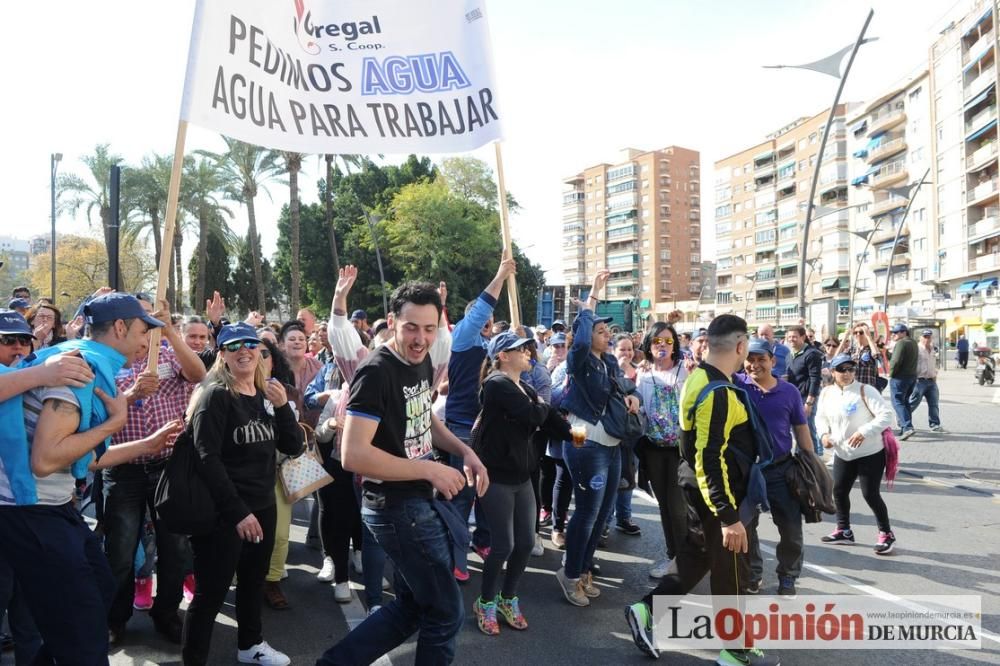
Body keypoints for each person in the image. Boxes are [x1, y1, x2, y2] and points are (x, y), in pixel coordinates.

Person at [316, 281, 488, 666]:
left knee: (414, 605)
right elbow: (353, 455)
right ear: (392, 322)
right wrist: (428, 470)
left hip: (416, 502)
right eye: (411, 327)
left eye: (429, 329)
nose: (420, 338)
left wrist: (464, 451)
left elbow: (423, 417)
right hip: (396, 509)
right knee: (445, 613)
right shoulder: (375, 372)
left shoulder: (420, 360)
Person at [0, 293, 165, 664]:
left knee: (99, 588)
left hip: (52, 506)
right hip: (30, 510)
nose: (148, 341)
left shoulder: (85, 360)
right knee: (84, 630)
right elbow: (45, 459)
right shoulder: (82, 367)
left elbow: (83, 459)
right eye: (143, 330)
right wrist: (114, 424)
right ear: (120, 327)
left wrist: (146, 444)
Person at [625, 314, 778, 665]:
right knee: (731, 571)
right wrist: (728, 517)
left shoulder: (698, 377)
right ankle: (735, 651)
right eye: (746, 348)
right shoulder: (718, 391)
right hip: (718, 494)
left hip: (698, 488)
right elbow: (709, 459)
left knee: (697, 558)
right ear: (740, 346)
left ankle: (646, 610)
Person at [182, 322, 303, 665]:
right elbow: (207, 459)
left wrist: (282, 407)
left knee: (252, 582)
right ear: (222, 355)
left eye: (251, 344)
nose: (244, 350)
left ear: (263, 353)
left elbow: (292, 447)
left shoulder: (266, 394)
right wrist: (237, 512)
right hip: (224, 512)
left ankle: (251, 645)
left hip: (263, 504)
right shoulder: (215, 396)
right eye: (234, 346)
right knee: (211, 594)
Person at [103, 297, 207, 645]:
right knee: (119, 550)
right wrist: (131, 395)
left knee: (175, 547)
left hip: (169, 467)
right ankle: (115, 619)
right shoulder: (109, 362)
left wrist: (172, 333)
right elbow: (95, 414)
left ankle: (167, 613)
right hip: (123, 469)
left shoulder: (167, 353)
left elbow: (199, 375)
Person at [473, 331, 567, 636]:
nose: (528, 352)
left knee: (526, 542)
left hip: (522, 476)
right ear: (503, 356)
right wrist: (542, 406)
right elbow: (533, 414)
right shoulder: (497, 384)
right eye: (519, 349)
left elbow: (548, 414)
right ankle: (485, 601)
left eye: (527, 348)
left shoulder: (524, 385)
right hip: (497, 477)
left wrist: (571, 433)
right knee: (503, 545)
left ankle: (507, 598)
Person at [557, 270, 638, 608]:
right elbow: (579, 338)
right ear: (585, 335)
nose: (606, 335)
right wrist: (593, 293)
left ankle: (584, 567)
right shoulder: (578, 360)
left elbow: (622, 389)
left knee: (602, 512)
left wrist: (632, 397)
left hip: (612, 445)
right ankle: (570, 573)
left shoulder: (607, 363)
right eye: (599, 331)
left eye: (608, 331)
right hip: (584, 442)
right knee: (587, 511)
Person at [444, 257, 517, 580]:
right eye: (482, 318)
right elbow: (484, 304)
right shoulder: (462, 339)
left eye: (490, 320)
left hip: (486, 432)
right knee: (460, 497)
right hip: (460, 431)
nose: (487, 323)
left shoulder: (491, 348)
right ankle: (454, 560)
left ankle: (480, 543)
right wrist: (500, 274)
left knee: (483, 495)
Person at [738, 338, 811, 597]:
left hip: (781, 470)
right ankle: (752, 575)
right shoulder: (736, 385)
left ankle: (788, 576)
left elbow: (800, 428)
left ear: (773, 361)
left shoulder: (789, 391)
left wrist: (810, 464)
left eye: (761, 359)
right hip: (746, 472)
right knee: (746, 528)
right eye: (750, 359)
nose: (755, 365)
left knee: (791, 528)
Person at [815, 353, 897, 555]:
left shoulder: (865, 391)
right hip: (843, 452)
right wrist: (824, 434)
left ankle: (886, 533)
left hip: (870, 452)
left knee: (870, 494)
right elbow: (820, 417)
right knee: (839, 491)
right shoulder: (827, 393)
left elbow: (886, 416)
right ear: (832, 372)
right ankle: (844, 530)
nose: (847, 373)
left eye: (851, 369)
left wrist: (863, 432)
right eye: (841, 369)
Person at [634, 322, 688, 579]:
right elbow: (642, 410)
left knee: (678, 506)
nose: (663, 346)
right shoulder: (643, 375)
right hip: (654, 448)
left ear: (675, 345)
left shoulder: (686, 371)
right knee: (665, 505)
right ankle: (674, 557)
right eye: (657, 341)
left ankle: (685, 560)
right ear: (649, 345)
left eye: (668, 341)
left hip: (681, 449)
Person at [605, 333, 641, 538]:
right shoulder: (611, 370)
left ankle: (624, 518)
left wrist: (635, 399)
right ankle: (605, 522)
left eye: (630, 349)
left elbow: (641, 396)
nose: (627, 353)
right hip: (614, 431)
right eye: (622, 349)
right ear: (614, 350)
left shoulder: (641, 370)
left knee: (628, 477)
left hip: (633, 432)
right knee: (613, 480)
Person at [785, 325, 823, 455]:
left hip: (806, 397)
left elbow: (815, 379)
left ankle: (813, 460)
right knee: (797, 429)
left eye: (794, 336)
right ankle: (801, 457)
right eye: (789, 337)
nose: (791, 339)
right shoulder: (789, 354)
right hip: (793, 397)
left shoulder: (811, 354)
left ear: (803, 337)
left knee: (807, 428)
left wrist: (809, 403)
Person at [888, 323, 918, 440]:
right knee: (905, 402)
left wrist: (890, 373)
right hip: (911, 377)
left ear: (904, 332)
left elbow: (895, 361)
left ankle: (907, 427)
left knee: (898, 402)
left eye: (896, 332)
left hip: (900, 377)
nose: (894, 334)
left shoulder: (901, 343)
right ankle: (905, 427)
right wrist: (886, 352)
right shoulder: (913, 342)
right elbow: (899, 357)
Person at [909, 330, 943, 433]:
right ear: (920, 338)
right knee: (914, 402)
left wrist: (935, 373)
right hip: (920, 380)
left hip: (931, 380)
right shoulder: (917, 349)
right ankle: (902, 418)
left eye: (929, 336)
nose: (927, 339)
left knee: (934, 403)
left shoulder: (933, 348)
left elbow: (935, 363)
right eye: (925, 336)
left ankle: (935, 424)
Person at [838, 323, 881, 390]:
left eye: (861, 332)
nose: (858, 334)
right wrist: (844, 338)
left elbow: (876, 355)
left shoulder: (870, 348)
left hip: (867, 388)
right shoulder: (852, 349)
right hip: (853, 387)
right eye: (855, 332)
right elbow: (836, 357)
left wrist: (869, 337)